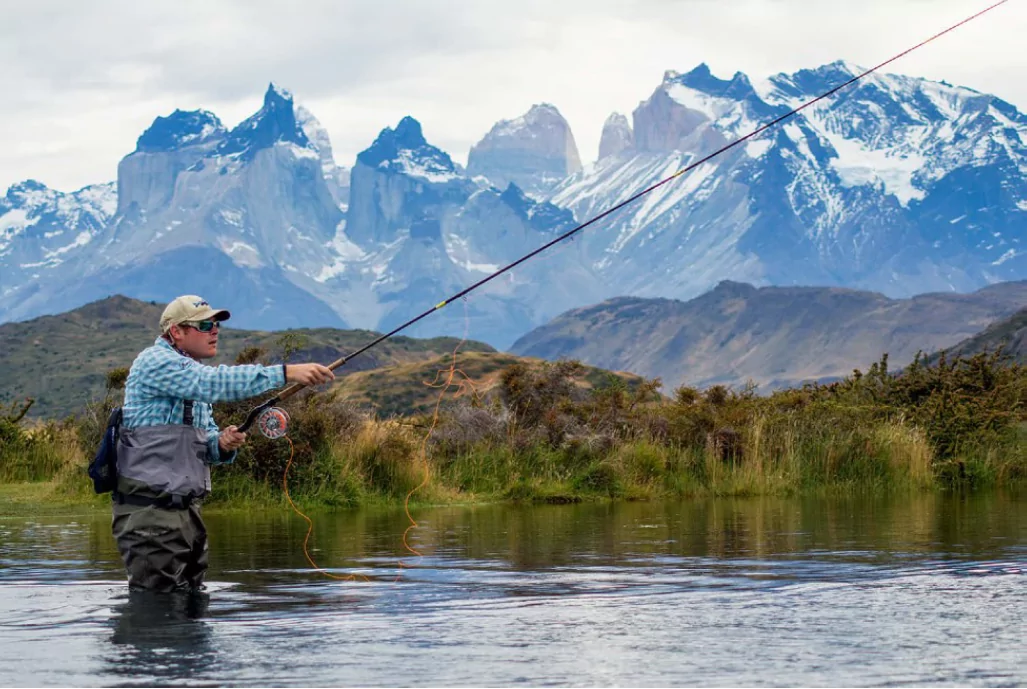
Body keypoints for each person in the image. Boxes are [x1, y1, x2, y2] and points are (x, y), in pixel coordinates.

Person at [112, 294, 334, 592]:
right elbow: (211, 383)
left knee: (190, 608)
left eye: (216, 324)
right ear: (176, 331)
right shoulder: (155, 362)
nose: (214, 330)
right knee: (157, 612)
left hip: (187, 513)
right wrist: (286, 373)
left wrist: (222, 444)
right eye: (205, 325)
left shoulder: (188, 376)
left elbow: (207, 448)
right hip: (151, 513)